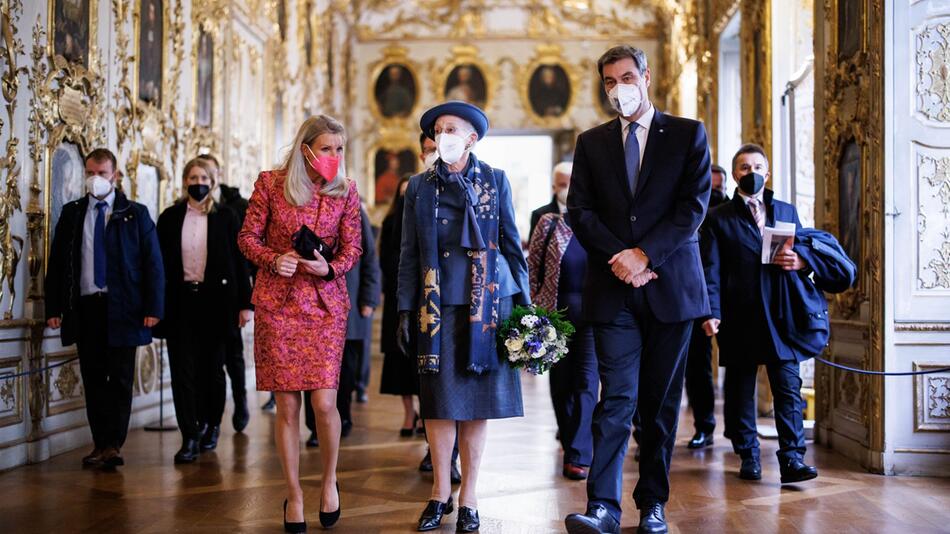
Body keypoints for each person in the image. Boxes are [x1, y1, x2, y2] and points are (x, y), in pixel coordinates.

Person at [564, 45, 711, 534]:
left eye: (626, 77)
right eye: (609, 81)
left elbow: (692, 207)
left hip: (672, 289)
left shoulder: (688, 134)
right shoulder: (591, 143)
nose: (618, 88)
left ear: (646, 77)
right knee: (617, 400)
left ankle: (653, 504)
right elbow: (579, 212)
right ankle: (603, 506)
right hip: (613, 291)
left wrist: (645, 255)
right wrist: (621, 259)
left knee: (660, 405)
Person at [397, 101, 530, 532]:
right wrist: (404, 307)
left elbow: (512, 245)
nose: (442, 136)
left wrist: (526, 307)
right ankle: (439, 492)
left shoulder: (495, 180)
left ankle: (469, 497)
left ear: (472, 137)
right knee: (437, 405)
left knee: (476, 407)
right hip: (436, 310)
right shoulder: (419, 186)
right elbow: (408, 254)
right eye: (438, 130)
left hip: (488, 308)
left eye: (450, 128)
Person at [238, 115, 363, 532]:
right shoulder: (271, 184)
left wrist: (328, 268)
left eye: (340, 149)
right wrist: (275, 258)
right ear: (306, 148)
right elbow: (246, 238)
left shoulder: (346, 191)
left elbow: (353, 248)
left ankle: (329, 481)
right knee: (288, 406)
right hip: (278, 305)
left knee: (325, 403)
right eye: (327, 148)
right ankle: (294, 493)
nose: (335, 156)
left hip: (325, 307)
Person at [700, 143, 818, 484]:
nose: (751, 173)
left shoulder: (786, 210)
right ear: (735, 174)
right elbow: (711, 269)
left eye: (756, 167)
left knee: (787, 386)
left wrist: (801, 262)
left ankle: (793, 459)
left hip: (782, 313)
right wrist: (711, 311)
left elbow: (804, 253)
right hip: (739, 314)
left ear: (768, 173)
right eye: (743, 167)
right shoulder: (718, 218)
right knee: (740, 389)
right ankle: (748, 454)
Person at [45, 148, 165, 469]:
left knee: (121, 380)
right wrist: (53, 307)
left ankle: (114, 444)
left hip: (124, 308)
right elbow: (58, 265)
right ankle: (100, 443)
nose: (95, 179)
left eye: (102, 173)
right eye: (90, 172)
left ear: (115, 175)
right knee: (94, 378)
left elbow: (153, 264)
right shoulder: (72, 214)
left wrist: (153, 307)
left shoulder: (135, 214)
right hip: (86, 309)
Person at [154, 157, 252, 463]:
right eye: (193, 177)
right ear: (184, 182)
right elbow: (158, 266)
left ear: (212, 183)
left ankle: (211, 424)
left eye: (204, 178)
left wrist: (246, 304)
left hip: (216, 305)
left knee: (212, 371)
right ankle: (190, 436)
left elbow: (240, 264)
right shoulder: (169, 218)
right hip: (180, 304)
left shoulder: (226, 217)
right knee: (183, 373)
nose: (198, 183)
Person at [527, 161, 598, 481]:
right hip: (556, 315)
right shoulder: (547, 223)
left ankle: (579, 453)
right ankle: (569, 437)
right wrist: (533, 310)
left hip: (593, 315)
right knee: (562, 384)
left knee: (586, 382)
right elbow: (533, 268)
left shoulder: (598, 220)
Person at [304, 202, 380, 442]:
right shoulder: (305, 210)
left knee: (344, 371)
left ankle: (343, 416)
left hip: (348, 304)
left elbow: (369, 260)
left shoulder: (356, 213)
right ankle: (315, 426)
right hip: (313, 307)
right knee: (312, 371)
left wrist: (368, 298)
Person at [197, 153, 253, 433]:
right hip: (201, 298)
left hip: (230, 294)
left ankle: (241, 400)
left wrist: (246, 299)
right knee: (210, 359)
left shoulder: (236, 206)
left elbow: (246, 256)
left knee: (234, 354)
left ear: (216, 175)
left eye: (207, 174)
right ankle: (208, 415)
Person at [683, 163, 730, 450]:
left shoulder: (727, 214)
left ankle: (724, 428)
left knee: (733, 368)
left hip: (727, 299)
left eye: (717, 186)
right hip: (691, 298)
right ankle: (704, 426)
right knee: (697, 368)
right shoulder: (688, 208)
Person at [379, 175, 420, 435]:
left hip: (423, 300)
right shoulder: (390, 221)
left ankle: (427, 415)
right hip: (397, 298)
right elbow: (385, 259)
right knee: (399, 361)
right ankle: (408, 414)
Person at [529, 161, 571, 242]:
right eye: (563, 185)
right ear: (553, 187)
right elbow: (534, 251)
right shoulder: (540, 215)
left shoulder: (585, 214)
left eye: (571, 184)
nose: (568, 189)